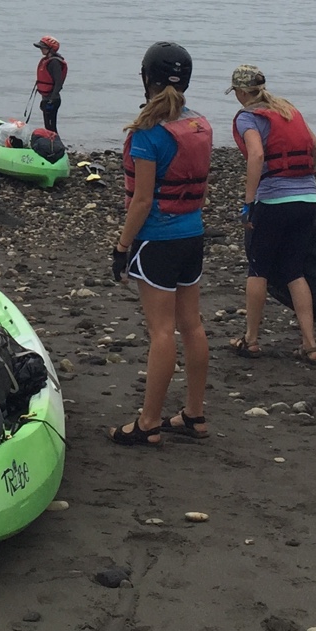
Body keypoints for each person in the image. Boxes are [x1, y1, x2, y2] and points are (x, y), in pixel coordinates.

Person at [108, 42, 214, 447]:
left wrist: (122, 245)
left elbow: (143, 200)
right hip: (192, 236)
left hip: (157, 242)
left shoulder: (147, 135)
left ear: (145, 78)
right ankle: (194, 414)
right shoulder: (200, 125)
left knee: (161, 331)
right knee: (193, 325)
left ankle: (149, 421)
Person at [226, 64, 316, 364]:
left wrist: (249, 202)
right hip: (307, 198)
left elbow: (256, 155)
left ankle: (252, 340)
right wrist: (302, 179)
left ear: (242, 92)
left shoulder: (248, 117)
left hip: (273, 201)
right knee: (295, 269)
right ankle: (310, 344)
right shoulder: (287, 109)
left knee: (258, 267)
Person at [33, 36, 67, 135]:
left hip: (53, 99)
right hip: (46, 98)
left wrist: (51, 100)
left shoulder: (54, 62)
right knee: (48, 126)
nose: (41, 49)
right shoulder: (47, 60)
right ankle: (52, 145)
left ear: (51, 49)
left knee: (51, 127)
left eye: (43, 47)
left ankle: (55, 146)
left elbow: (58, 82)